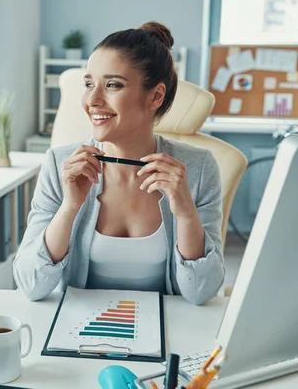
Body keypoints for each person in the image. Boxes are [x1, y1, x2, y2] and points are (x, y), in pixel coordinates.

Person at [13, 21, 224, 305]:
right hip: (79, 336)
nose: (92, 100)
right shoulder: (59, 164)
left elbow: (201, 292)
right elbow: (31, 285)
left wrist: (186, 214)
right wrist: (70, 207)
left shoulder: (198, 169)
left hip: (168, 336)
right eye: (89, 84)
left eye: (112, 85)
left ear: (155, 96)